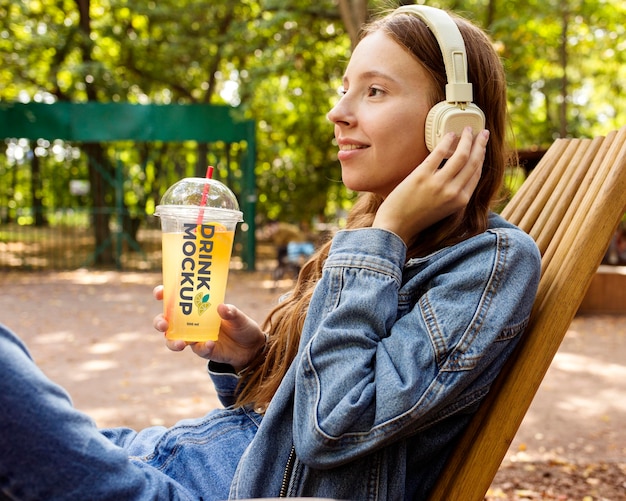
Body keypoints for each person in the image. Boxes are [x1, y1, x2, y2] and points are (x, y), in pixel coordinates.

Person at [0, 5, 541, 500]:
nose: (338, 112)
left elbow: (333, 426)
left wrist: (387, 233)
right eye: (345, 88)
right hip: (182, 458)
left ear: (455, 122)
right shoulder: (377, 240)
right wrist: (253, 360)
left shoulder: (487, 263)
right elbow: (301, 415)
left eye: (374, 91)